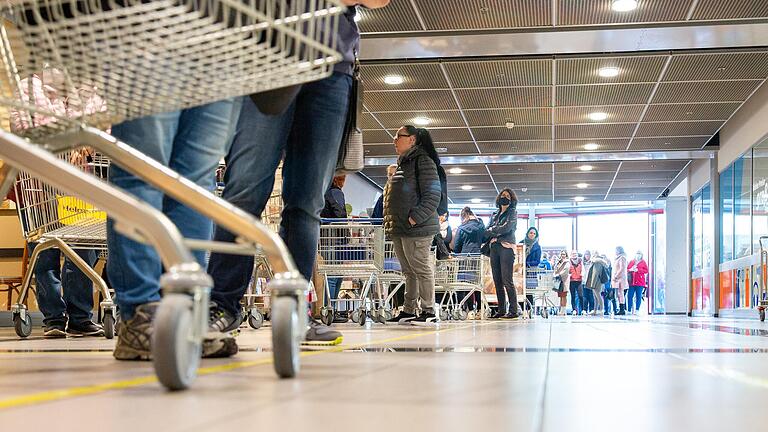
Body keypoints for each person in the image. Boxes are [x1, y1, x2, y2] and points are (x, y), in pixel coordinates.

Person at [205, 1, 391, 349]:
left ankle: (293, 312)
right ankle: (221, 306)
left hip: (332, 69)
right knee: (244, 190)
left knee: (306, 203)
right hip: (267, 53)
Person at [383, 125, 442, 325]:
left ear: (412, 139)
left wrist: (414, 218)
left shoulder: (422, 161)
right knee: (409, 270)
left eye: (398, 136)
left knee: (421, 268)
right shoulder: (404, 163)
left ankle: (428, 310)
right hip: (401, 228)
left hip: (417, 227)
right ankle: (409, 310)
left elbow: (433, 195)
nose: (394, 139)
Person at [486, 188, 519, 319]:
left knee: (507, 280)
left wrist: (493, 230)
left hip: (506, 247)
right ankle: (501, 310)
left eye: (507, 196)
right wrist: (495, 231)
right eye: (502, 195)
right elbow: (486, 230)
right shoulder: (494, 214)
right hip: (494, 247)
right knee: (497, 280)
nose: (504, 197)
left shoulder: (513, 213)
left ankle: (514, 310)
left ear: (511, 200)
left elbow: (507, 228)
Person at [320, 175, 347, 304]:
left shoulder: (322, 191)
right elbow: (340, 214)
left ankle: (331, 308)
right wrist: (346, 235)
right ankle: (331, 308)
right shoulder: (335, 192)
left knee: (334, 273)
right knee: (334, 275)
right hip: (336, 238)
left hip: (325, 237)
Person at [522, 227, 541, 309]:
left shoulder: (537, 247)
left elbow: (537, 261)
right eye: (531, 233)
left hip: (531, 271)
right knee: (520, 290)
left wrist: (527, 263)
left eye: (534, 233)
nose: (532, 234)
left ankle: (529, 309)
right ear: (527, 233)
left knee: (529, 292)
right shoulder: (521, 243)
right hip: (520, 271)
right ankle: (521, 309)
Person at [627, 251, 649, 315]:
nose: (638, 255)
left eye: (639, 254)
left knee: (638, 296)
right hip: (631, 282)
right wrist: (631, 269)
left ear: (641, 255)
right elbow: (627, 269)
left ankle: (637, 310)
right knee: (629, 296)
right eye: (637, 254)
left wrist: (639, 270)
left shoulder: (643, 262)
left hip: (640, 282)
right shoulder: (631, 261)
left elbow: (646, 271)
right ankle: (629, 310)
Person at [612, 246, 629, 316]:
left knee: (621, 294)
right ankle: (620, 308)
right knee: (619, 294)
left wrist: (616, 275)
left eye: (616, 250)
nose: (615, 252)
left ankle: (622, 309)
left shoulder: (622, 258)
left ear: (619, 250)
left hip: (620, 279)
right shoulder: (617, 258)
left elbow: (622, 268)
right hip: (617, 279)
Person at [553, 250, 570, 316]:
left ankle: (563, 310)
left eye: (564, 254)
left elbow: (566, 271)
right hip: (558, 280)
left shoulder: (567, 262)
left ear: (566, 255)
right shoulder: (559, 262)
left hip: (564, 280)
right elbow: (555, 269)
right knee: (560, 295)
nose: (563, 255)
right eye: (562, 254)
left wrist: (558, 275)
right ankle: (561, 310)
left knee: (564, 295)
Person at [568, 251, 583, 315]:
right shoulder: (569, 262)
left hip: (579, 280)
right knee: (573, 296)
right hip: (572, 281)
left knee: (581, 296)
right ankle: (574, 309)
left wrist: (582, 275)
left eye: (575, 254)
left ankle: (582, 310)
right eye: (573, 254)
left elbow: (583, 269)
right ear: (571, 255)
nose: (574, 255)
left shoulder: (580, 261)